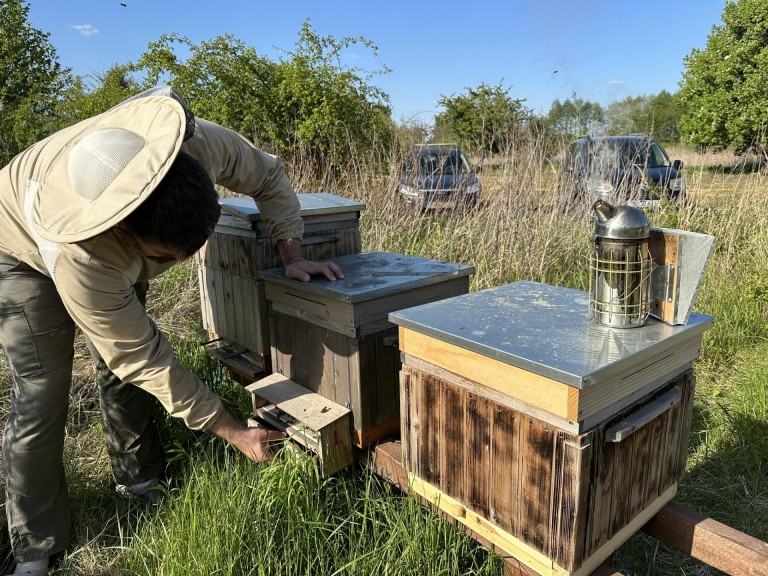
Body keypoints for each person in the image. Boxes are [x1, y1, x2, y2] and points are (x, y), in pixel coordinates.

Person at [0, 87, 343, 575]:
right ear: (123, 232)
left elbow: (268, 174)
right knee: (42, 390)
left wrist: (292, 254)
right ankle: (35, 547)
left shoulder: (199, 144)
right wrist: (231, 430)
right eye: (164, 259)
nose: (179, 265)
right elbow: (140, 356)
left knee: (119, 371)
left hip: (107, 238)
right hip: (18, 248)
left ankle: (139, 479)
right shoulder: (84, 257)